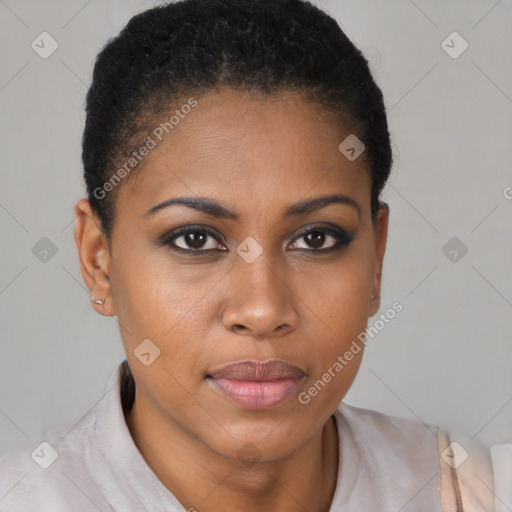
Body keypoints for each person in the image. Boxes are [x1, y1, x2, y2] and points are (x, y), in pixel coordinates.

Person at [0, 0, 502, 510]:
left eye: (316, 238)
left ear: (375, 260)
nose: (262, 311)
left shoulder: (468, 489)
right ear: (98, 261)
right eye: (194, 239)